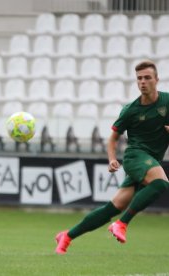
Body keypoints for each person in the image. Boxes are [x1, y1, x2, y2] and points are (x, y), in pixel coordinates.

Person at [55, 60, 169, 254]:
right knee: (161, 183)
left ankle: (67, 236)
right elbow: (113, 139)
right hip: (135, 157)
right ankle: (122, 224)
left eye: (147, 78)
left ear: (156, 80)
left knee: (113, 206)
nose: (143, 82)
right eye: (139, 78)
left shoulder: (167, 102)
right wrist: (111, 159)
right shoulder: (130, 110)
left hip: (151, 160)